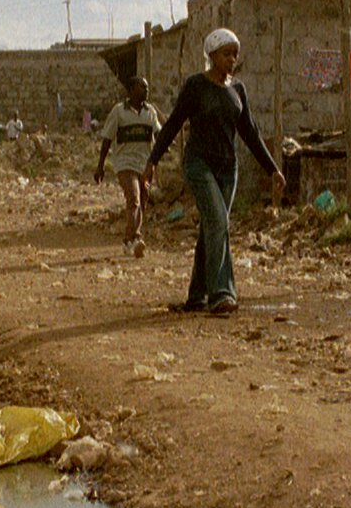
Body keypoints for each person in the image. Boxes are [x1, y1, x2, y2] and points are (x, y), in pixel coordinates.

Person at [144, 28, 286, 315]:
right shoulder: (195, 86)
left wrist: (273, 169)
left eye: (235, 54)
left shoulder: (238, 90)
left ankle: (197, 296)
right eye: (226, 54)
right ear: (211, 56)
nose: (232, 60)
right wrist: (153, 159)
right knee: (219, 222)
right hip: (199, 164)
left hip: (227, 167)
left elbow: (251, 134)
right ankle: (222, 293)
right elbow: (172, 124)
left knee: (211, 228)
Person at [96, 77, 162, 257]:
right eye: (142, 87)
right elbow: (107, 139)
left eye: (147, 88)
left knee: (143, 200)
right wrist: (100, 166)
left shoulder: (150, 112)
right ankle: (135, 238)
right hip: (125, 163)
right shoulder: (119, 112)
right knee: (134, 197)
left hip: (145, 165)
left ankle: (129, 239)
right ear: (131, 90)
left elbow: (159, 134)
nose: (146, 91)